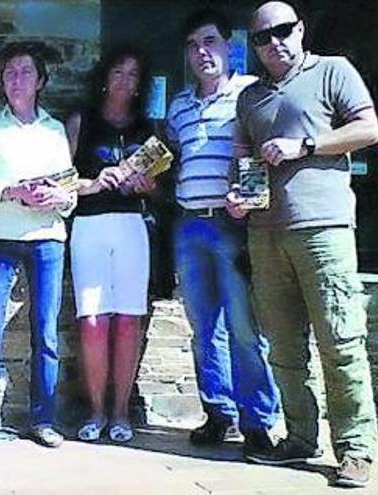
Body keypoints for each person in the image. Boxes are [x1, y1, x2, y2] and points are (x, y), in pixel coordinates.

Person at [226, 2, 378, 488]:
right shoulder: (250, 98)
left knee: (340, 340)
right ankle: (299, 437)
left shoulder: (333, 71)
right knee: (285, 348)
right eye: (262, 37)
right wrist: (237, 197)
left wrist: (306, 145)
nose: (274, 41)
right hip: (265, 233)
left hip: (323, 229)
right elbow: (244, 160)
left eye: (283, 30)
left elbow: (368, 129)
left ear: (300, 30)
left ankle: (355, 449)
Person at [163, 9, 280, 455]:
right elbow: (172, 156)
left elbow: (255, 154)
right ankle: (218, 412)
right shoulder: (178, 105)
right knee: (203, 327)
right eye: (193, 45)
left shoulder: (249, 95)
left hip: (233, 225)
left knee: (245, 327)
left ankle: (258, 421)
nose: (201, 52)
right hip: (189, 225)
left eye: (209, 42)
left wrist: (246, 201)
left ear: (229, 45)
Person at [0, 41, 76, 450]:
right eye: (10, 72)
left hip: (47, 238)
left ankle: (43, 420)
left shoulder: (55, 130)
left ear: (41, 81)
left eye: (26, 71)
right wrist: (12, 192)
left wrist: (55, 198)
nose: (17, 78)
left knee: (45, 332)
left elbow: (69, 192)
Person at [65, 45, 156, 443]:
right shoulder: (80, 122)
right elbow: (62, 183)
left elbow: (158, 187)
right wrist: (95, 182)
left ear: (140, 85)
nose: (124, 81)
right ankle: (96, 411)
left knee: (128, 320)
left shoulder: (147, 130)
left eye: (132, 75)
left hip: (132, 226)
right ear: (104, 77)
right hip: (88, 226)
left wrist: (147, 185)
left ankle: (121, 412)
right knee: (93, 321)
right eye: (118, 72)